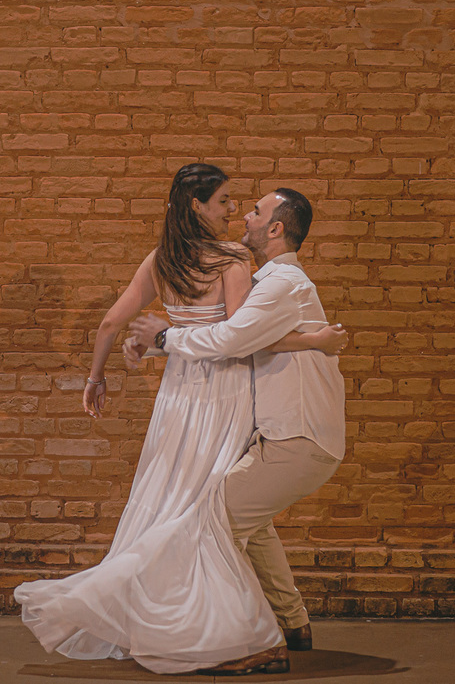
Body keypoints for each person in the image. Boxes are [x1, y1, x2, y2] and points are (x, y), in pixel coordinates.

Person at [13, 164, 343, 676]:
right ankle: (236, 631)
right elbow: (243, 339)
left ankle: (232, 619)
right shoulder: (232, 260)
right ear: (199, 206)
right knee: (206, 513)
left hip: (176, 400)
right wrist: (311, 338)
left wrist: (96, 377)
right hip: (224, 396)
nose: (235, 211)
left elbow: (110, 322)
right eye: (226, 201)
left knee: (177, 502)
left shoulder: (161, 260)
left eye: (243, 204)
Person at [128, 187, 347, 663]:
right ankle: (293, 624)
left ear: (275, 229)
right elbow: (254, 343)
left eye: (255, 211)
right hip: (285, 436)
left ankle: (254, 643)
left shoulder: (279, 283)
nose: (243, 216)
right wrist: (312, 340)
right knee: (251, 522)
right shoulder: (272, 282)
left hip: (297, 438)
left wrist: (164, 335)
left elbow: (231, 339)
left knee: (210, 525)